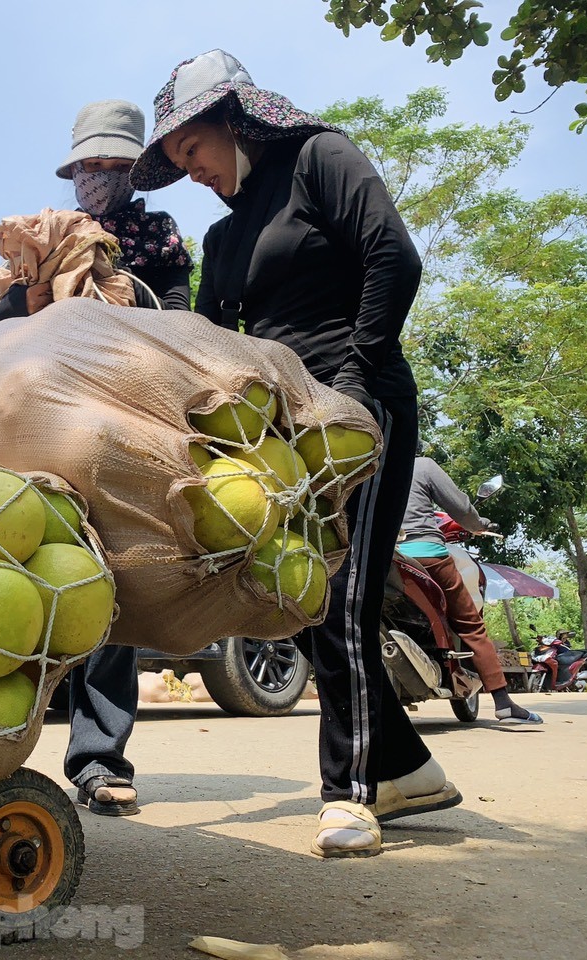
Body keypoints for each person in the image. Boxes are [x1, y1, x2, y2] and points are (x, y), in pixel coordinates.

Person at [131, 49, 458, 857]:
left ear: (236, 121)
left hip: (360, 406)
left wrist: (351, 380)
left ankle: (349, 796)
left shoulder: (322, 159)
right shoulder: (224, 230)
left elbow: (394, 256)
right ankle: (405, 767)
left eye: (194, 151)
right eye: (177, 163)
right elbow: (210, 340)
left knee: (338, 592)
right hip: (278, 435)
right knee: (299, 597)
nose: (194, 170)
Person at [0, 100, 193, 815]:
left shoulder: (155, 235)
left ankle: (98, 760)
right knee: (7, 581)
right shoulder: (40, 236)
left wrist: (117, 292)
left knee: (110, 587)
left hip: (119, 420)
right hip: (38, 423)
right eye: (86, 167)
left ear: (134, 171)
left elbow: (187, 325)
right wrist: (25, 296)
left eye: (111, 166)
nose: (96, 178)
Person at [398, 457, 542, 724]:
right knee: (470, 624)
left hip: (382, 560)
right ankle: (503, 703)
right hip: (428, 556)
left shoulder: (365, 466)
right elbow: (462, 510)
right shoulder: (423, 465)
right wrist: (478, 525)